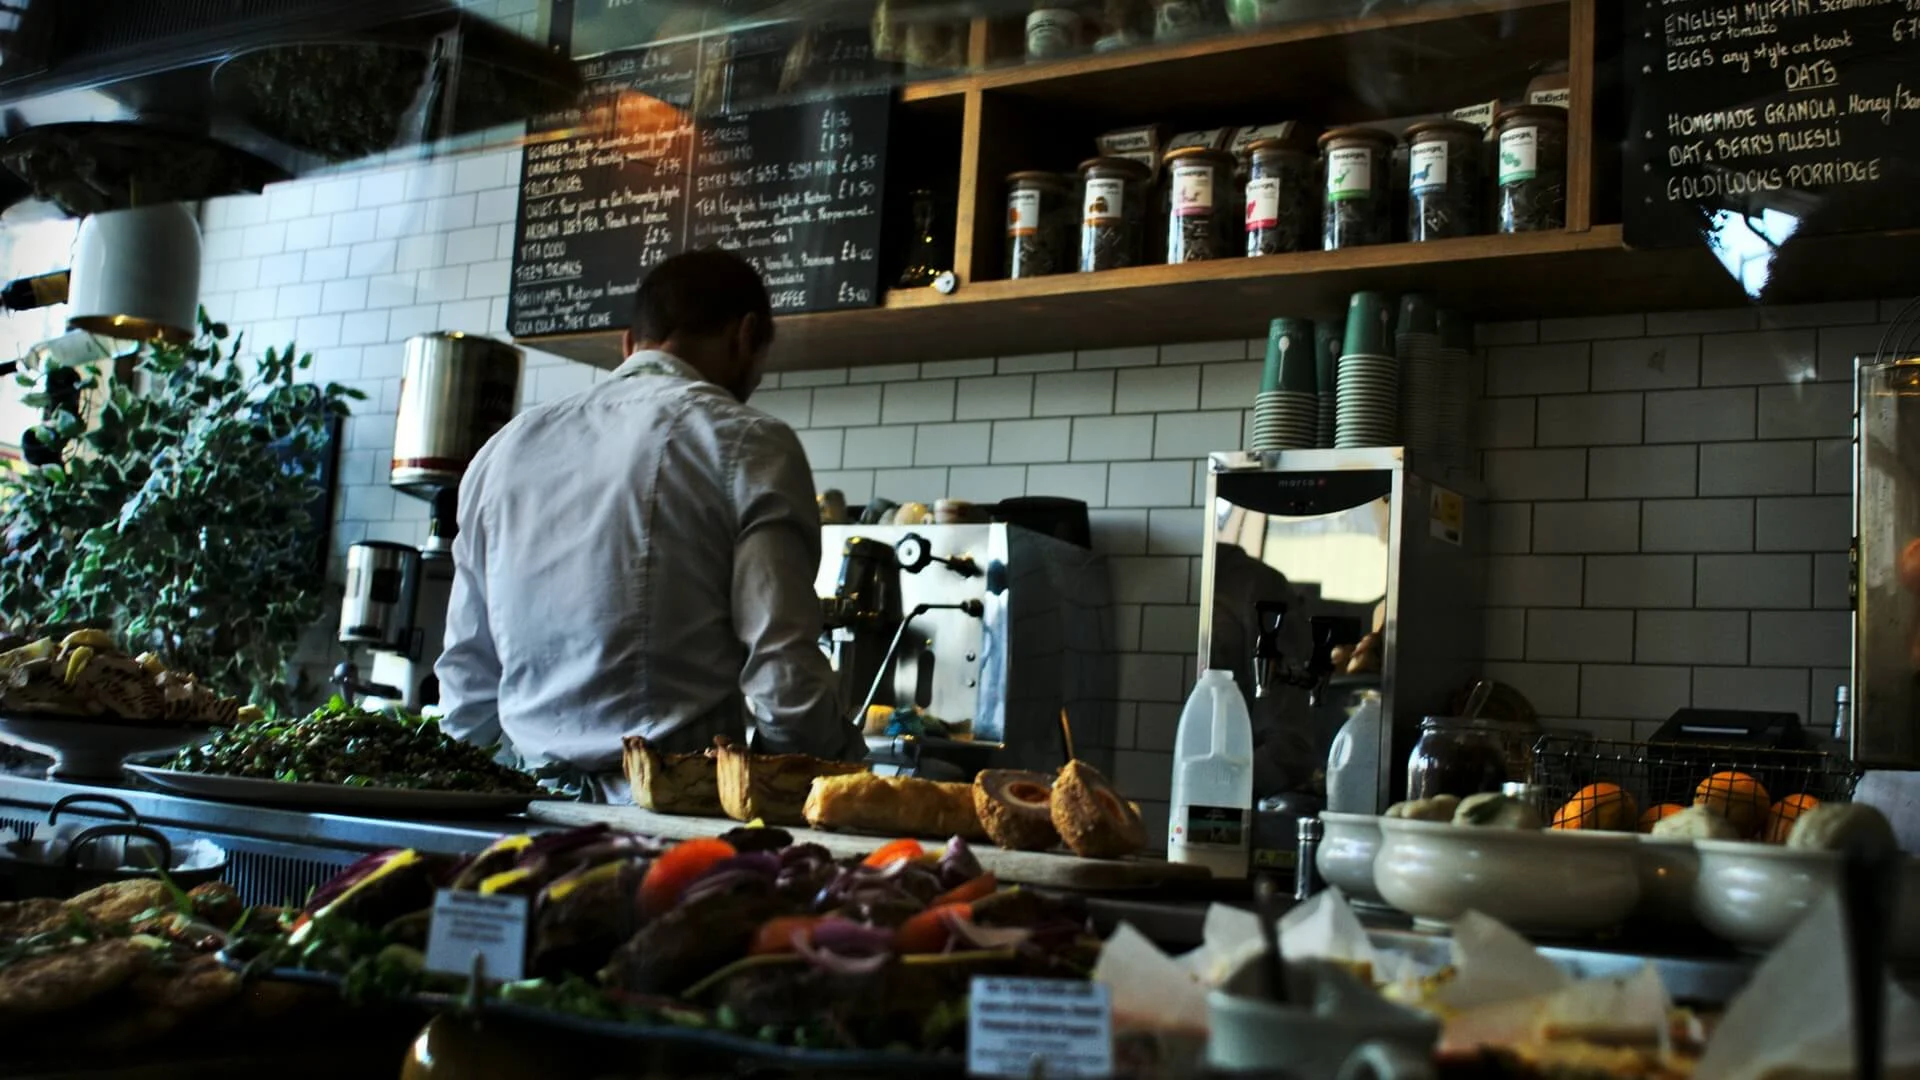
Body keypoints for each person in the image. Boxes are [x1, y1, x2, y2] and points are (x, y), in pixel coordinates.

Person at [437, 249, 863, 799]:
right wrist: (832, 773)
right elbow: (783, 677)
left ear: (628, 344)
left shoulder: (504, 450)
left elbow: (468, 672)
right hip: (675, 819)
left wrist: (465, 803)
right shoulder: (749, 442)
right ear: (746, 335)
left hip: (527, 811)